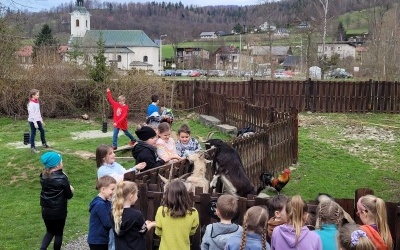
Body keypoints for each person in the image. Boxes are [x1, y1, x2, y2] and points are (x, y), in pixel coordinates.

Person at [39, 151, 74, 250]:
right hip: (59, 211)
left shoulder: (43, 176)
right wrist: (71, 189)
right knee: (58, 233)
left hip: (46, 210)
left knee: (49, 232)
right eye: (61, 161)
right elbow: (68, 195)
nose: (62, 163)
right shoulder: (62, 178)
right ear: (57, 165)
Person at [155, 179, 199, 250]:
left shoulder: (161, 210)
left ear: (168, 195)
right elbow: (192, 232)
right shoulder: (193, 213)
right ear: (185, 195)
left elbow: (158, 232)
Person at [111, 181, 156, 250]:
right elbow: (143, 231)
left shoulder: (113, 213)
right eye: (136, 194)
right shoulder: (136, 214)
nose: (137, 196)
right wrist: (151, 224)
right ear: (131, 197)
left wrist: (145, 224)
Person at [87, 175, 117, 250]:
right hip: (97, 241)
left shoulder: (106, 202)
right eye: (112, 189)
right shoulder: (100, 204)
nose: (114, 192)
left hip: (102, 239)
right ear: (103, 189)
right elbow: (107, 223)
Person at [28, 88, 49, 153]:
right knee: (33, 133)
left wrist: (41, 120)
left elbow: (38, 112)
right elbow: (32, 114)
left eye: (38, 95)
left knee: (42, 130)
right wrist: (35, 123)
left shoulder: (37, 102)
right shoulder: (31, 104)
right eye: (37, 95)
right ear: (33, 96)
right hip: (32, 121)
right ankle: (32, 147)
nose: (38, 96)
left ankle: (44, 144)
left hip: (37, 120)